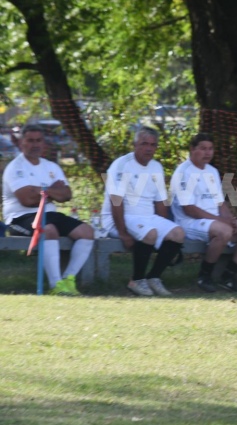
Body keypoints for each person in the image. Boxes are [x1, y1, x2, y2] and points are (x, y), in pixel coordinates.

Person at [2, 124, 93, 295]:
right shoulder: (15, 168)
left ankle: (68, 280)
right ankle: (55, 285)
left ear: (44, 143)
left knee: (87, 232)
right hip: (20, 217)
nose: (35, 144)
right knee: (49, 230)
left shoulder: (51, 167)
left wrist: (41, 191)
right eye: (30, 140)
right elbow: (27, 200)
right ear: (22, 143)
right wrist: (52, 190)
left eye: (39, 140)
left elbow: (67, 194)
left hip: (49, 213)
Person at [171, 133, 237, 292]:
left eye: (211, 149)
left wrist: (229, 218)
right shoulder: (183, 172)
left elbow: (219, 202)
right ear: (192, 149)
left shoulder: (212, 171)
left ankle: (228, 277)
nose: (207, 153)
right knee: (224, 231)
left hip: (214, 221)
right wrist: (221, 221)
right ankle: (204, 277)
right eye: (203, 148)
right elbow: (189, 209)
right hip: (188, 222)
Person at [102, 126, 184, 297]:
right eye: (144, 144)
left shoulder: (156, 167)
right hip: (120, 217)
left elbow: (161, 202)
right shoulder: (121, 165)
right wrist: (123, 233)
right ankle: (136, 280)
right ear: (134, 145)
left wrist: (165, 227)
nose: (148, 148)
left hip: (148, 217)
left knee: (177, 233)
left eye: (153, 145)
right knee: (150, 234)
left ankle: (154, 278)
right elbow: (116, 201)